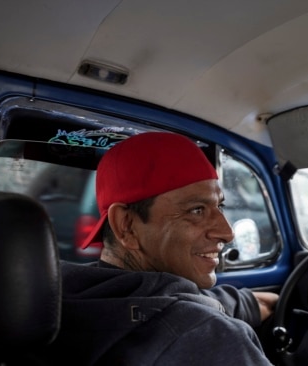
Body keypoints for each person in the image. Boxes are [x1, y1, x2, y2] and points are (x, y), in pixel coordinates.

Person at [40, 132, 278, 365]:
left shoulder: (53, 304)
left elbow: (177, 296)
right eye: (196, 210)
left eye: (220, 206)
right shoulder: (211, 338)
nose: (228, 233)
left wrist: (252, 302)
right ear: (127, 226)